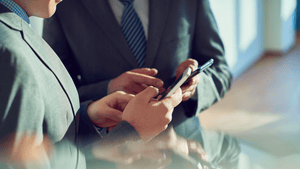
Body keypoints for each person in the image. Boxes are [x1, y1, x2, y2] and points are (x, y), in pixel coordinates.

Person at [43, 0, 238, 167]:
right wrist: (108, 89)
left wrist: (194, 85)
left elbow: (220, 71)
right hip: (109, 154)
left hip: (183, 148)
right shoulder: (59, 4)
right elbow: (53, 92)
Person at [0, 0, 185, 168]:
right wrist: (128, 134)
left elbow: (33, 133)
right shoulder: (8, 50)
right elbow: (18, 161)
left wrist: (86, 117)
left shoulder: (16, 31)